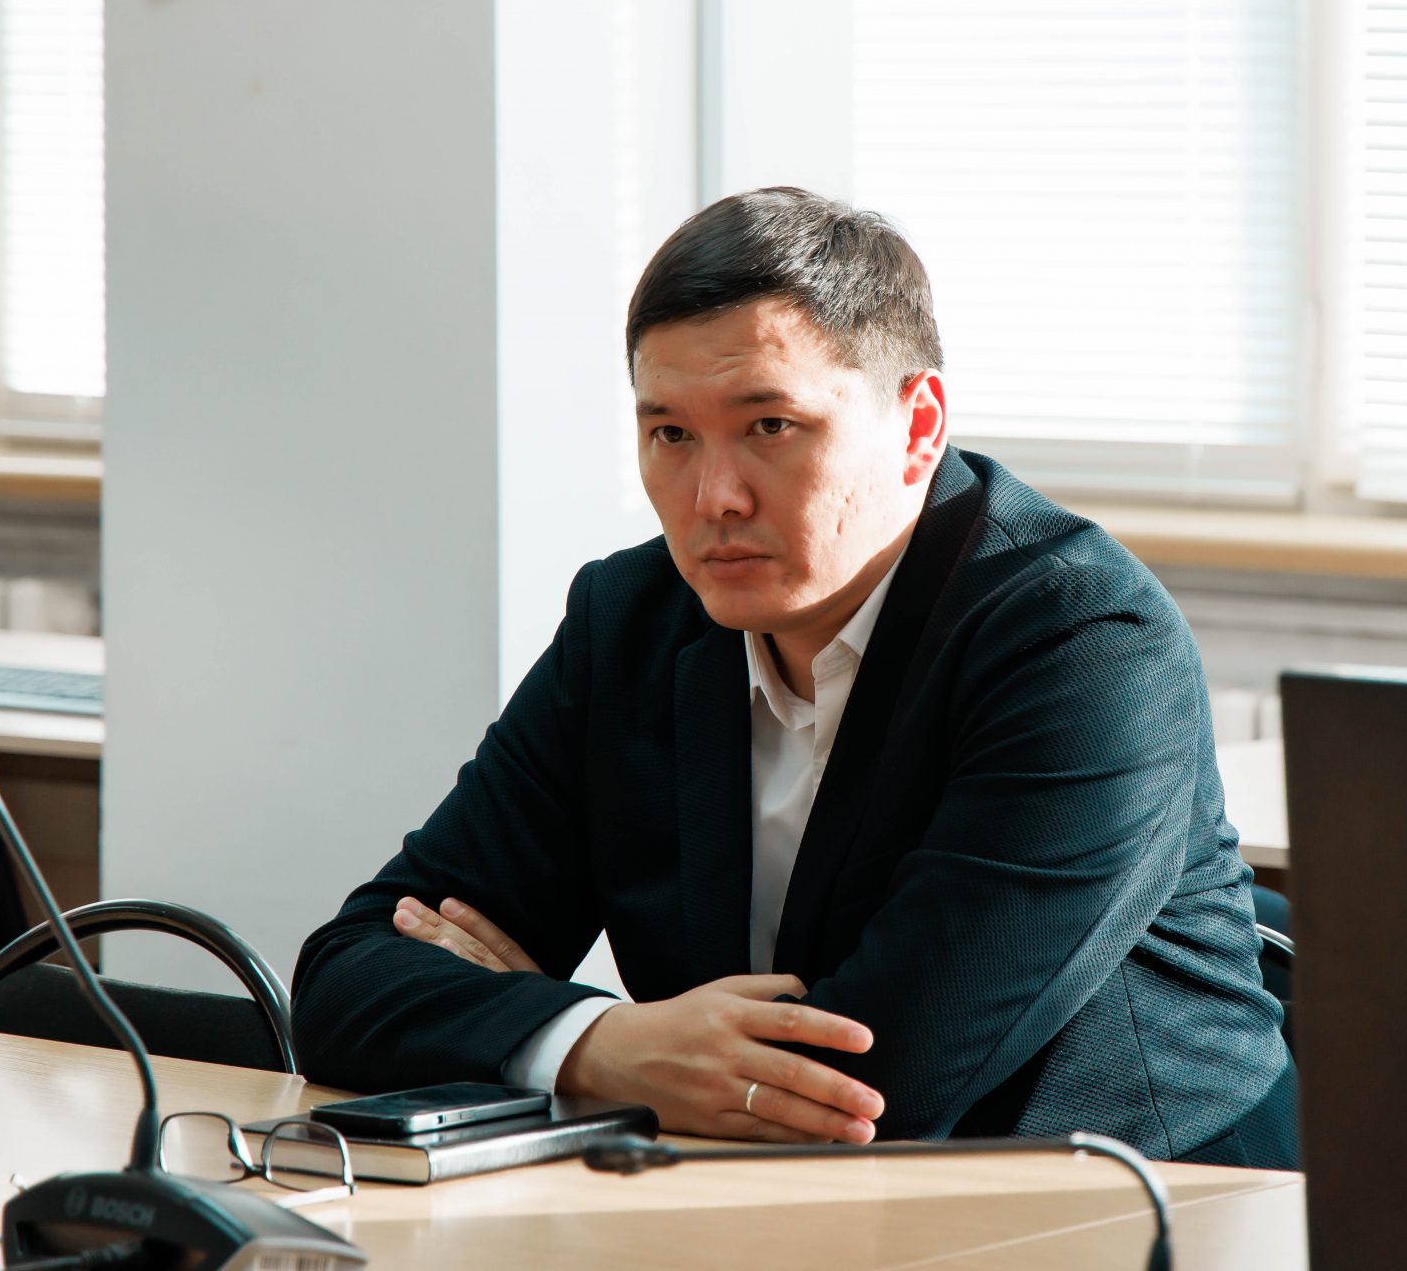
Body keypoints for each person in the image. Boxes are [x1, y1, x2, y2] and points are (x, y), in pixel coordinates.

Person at [291, 187, 1297, 1166]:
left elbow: (875, 1082)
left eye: (769, 426)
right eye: (670, 434)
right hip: (753, 1208)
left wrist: (525, 1030)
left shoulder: (1082, 640)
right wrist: (600, 1042)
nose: (714, 497)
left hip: (1131, 1201)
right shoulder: (628, 621)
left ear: (918, 427)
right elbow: (345, 982)